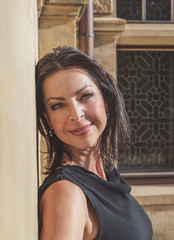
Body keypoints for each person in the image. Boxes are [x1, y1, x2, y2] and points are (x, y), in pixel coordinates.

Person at [36, 46, 153, 240]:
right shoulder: (66, 193)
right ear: (48, 120)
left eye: (85, 96)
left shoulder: (106, 174)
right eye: (58, 105)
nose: (76, 115)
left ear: (105, 100)